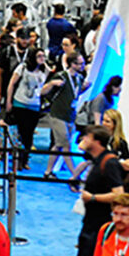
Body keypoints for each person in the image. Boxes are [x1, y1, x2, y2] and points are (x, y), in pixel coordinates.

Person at [78, 125, 126, 256]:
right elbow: (81, 148)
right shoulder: (97, 160)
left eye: (88, 137)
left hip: (101, 224)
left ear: (97, 141)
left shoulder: (109, 162)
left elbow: (119, 194)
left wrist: (93, 198)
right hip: (91, 222)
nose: (84, 139)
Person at [43, 50, 87, 178]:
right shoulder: (61, 76)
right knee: (66, 146)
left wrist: (85, 88)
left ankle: (48, 171)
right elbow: (43, 91)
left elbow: (75, 93)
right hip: (58, 115)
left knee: (58, 145)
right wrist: (51, 83)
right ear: (72, 64)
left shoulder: (79, 78)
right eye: (79, 64)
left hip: (70, 115)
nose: (82, 66)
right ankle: (74, 175)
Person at [7, 47, 48, 169]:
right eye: (39, 56)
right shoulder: (22, 68)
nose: (42, 59)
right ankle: (18, 159)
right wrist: (9, 101)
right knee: (20, 133)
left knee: (29, 134)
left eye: (43, 56)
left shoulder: (43, 71)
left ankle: (25, 159)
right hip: (20, 103)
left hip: (34, 106)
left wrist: (45, 65)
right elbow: (11, 84)